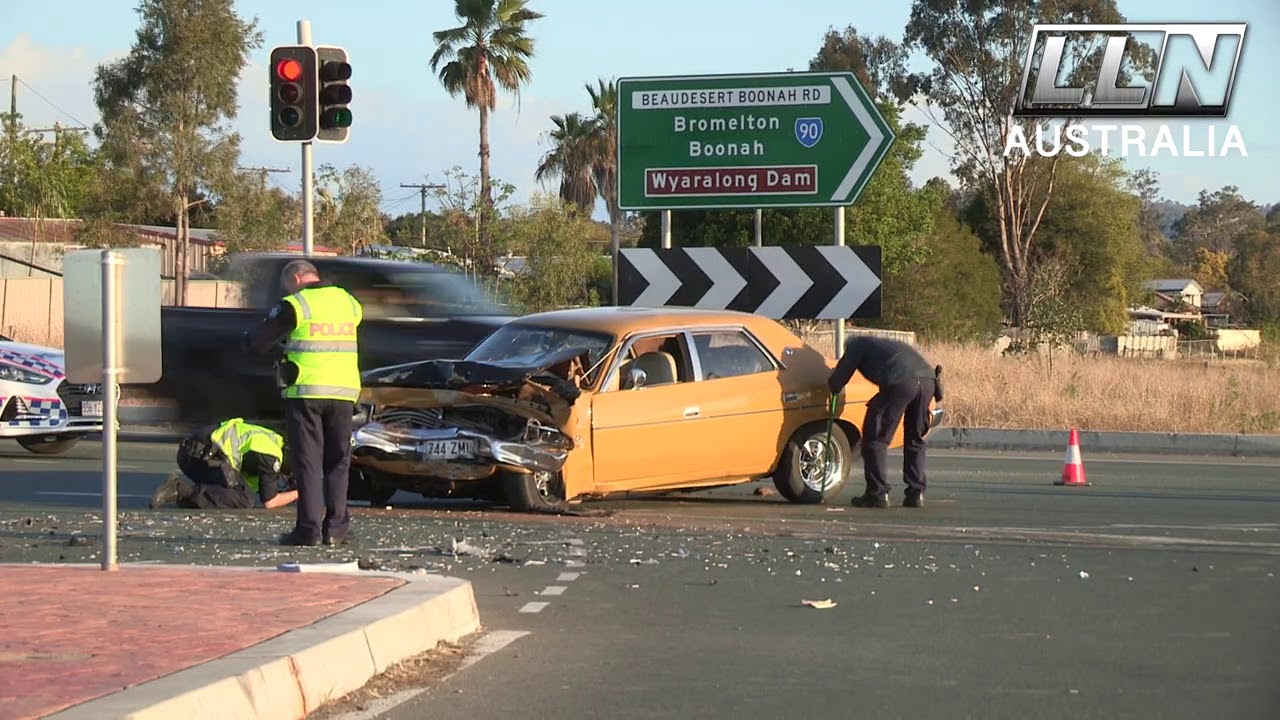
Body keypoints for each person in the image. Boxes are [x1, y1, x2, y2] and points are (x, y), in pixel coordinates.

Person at [243, 259, 363, 546]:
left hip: (307, 393)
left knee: (308, 463)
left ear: (296, 278)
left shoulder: (296, 304)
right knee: (338, 462)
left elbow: (258, 342)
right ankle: (335, 530)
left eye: (287, 285)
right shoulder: (348, 301)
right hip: (344, 393)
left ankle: (308, 529)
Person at [827, 335, 944, 509]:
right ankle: (916, 493)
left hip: (901, 382)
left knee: (875, 438)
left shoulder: (856, 345)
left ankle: (877, 493)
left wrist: (832, 387)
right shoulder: (887, 344)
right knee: (915, 438)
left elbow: (841, 375)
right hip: (928, 382)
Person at [149, 417, 298, 510]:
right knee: (243, 499)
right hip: (198, 455)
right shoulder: (272, 456)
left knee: (236, 492)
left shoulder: (274, 440)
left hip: (196, 451)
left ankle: (192, 497)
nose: (287, 477)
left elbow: (247, 484)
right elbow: (270, 502)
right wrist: (301, 492)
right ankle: (180, 490)